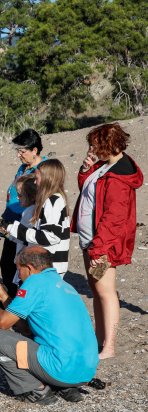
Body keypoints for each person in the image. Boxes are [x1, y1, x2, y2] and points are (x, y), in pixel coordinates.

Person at [0, 246, 98, 405]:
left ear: (29, 268)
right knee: (32, 334)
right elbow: (26, 327)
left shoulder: (34, 282)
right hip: (85, 371)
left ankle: (36, 390)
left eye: (19, 269)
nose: (18, 274)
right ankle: (62, 386)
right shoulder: (64, 285)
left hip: (60, 369)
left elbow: (3, 323)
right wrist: (4, 297)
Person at [71, 123, 144, 360]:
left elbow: (114, 217)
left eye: (95, 144)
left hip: (102, 243)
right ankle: (99, 338)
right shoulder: (105, 167)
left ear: (108, 145)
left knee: (106, 291)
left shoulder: (119, 174)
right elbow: (89, 192)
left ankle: (109, 345)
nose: (92, 149)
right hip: (90, 239)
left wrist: (99, 247)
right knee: (96, 289)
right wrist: (86, 170)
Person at [0, 159, 70, 277]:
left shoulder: (53, 201)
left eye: (37, 178)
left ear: (48, 179)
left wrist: (17, 230)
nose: (35, 183)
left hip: (50, 266)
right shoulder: (51, 200)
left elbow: (50, 236)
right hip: (48, 265)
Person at [0, 129, 46, 295]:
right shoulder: (23, 168)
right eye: (17, 151)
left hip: (25, 226)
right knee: (6, 263)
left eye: (22, 151)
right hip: (12, 222)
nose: (19, 154)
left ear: (34, 150)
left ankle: (15, 305)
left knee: (19, 267)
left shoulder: (43, 170)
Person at [2, 174, 37, 285]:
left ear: (30, 195)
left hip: (26, 262)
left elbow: (25, 237)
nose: (17, 198)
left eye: (20, 195)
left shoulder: (29, 212)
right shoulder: (34, 210)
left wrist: (10, 232)